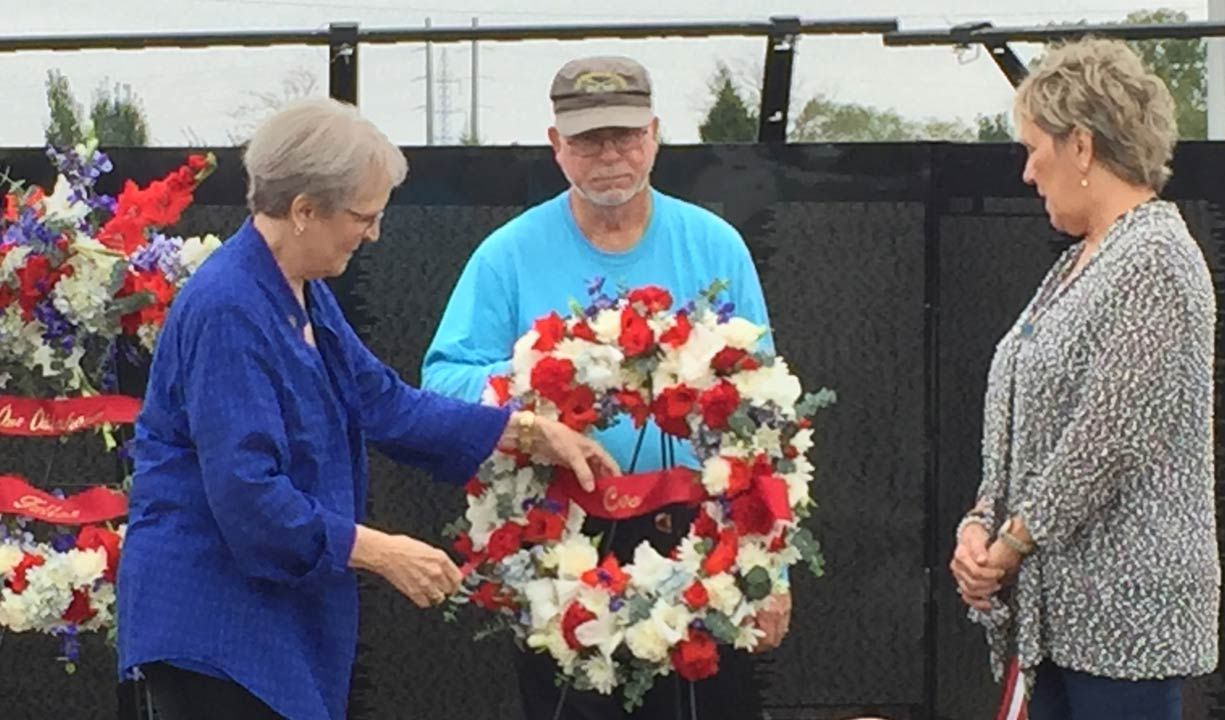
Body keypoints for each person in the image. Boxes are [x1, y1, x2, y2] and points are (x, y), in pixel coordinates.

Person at [115, 98, 618, 720]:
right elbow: (247, 492)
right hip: (215, 626)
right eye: (364, 216)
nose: (374, 234)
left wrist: (526, 432)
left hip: (270, 620)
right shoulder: (228, 309)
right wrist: (383, 552)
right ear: (304, 211)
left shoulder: (301, 289)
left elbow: (384, 403)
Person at [421, 56, 789, 719]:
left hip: (700, 541)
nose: (610, 155)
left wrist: (773, 568)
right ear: (556, 146)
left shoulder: (716, 246)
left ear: (655, 135)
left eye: (625, 135)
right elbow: (443, 380)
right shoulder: (507, 254)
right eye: (589, 140)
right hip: (561, 540)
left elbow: (762, 412)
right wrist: (534, 392)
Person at [949, 39, 1219, 720]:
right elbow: (1023, 416)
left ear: (1081, 145)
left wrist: (1011, 543)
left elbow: (1110, 435)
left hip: (1125, 629)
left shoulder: (1155, 258)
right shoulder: (1078, 264)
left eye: (1033, 148)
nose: (1027, 173)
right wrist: (980, 522)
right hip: (1054, 622)